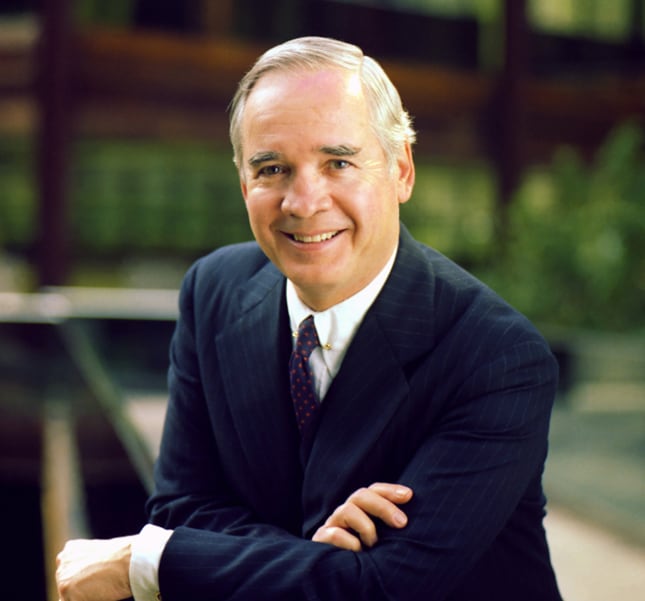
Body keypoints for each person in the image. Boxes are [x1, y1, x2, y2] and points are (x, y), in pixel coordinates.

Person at [56, 36, 563, 601]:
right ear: (244, 183)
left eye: (338, 162)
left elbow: (387, 589)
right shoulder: (214, 290)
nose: (303, 201)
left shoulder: (496, 358)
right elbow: (182, 506)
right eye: (272, 168)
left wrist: (141, 560)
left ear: (401, 171)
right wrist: (317, 562)